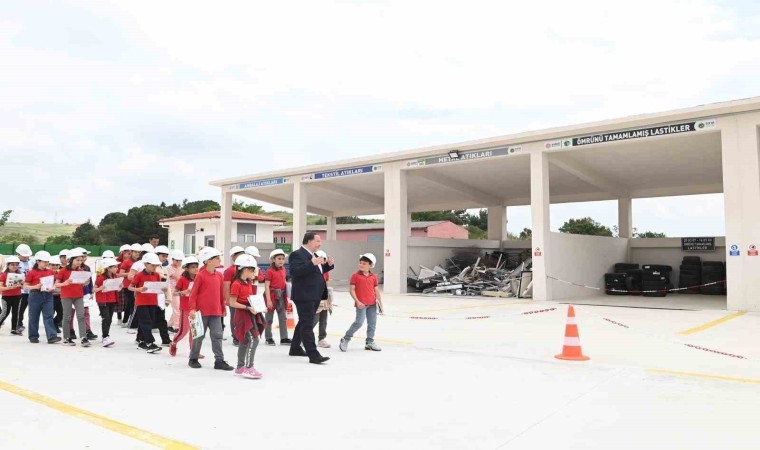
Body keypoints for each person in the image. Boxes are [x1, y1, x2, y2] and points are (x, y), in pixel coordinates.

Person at [288, 232, 333, 364]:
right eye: (317, 241)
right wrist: (312, 263)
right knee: (307, 324)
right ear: (309, 241)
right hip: (304, 295)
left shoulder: (314, 255)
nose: (320, 244)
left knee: (304, 322)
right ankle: (313, 354)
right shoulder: (297, 254)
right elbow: (295, 271)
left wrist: (328, 266)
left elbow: (316, 272)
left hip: (314, 294)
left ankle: (295, 348)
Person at [187, 247, 233, 371]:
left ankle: (219, 361)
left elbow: (221, 294)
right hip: (200, 313)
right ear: (208, 261)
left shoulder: (219, 275)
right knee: (198, 336)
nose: (219, 260)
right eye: (217, 258)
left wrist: (223, 308)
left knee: (217, 335)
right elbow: (193, 294)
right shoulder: (200, 276)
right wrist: (192, 309)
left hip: (216, 312)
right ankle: (193, 358)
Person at [229, 254, 266, 379]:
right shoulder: (236, 284)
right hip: (242, 315)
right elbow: (232, 302)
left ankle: (240, 367)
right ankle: (249, 367)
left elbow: (250, 298)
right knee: (253, 340)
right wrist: (247, 307)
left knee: (245, 341)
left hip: (251, 312)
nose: (253, 272)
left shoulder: (248, 282)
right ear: (244, 269)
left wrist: (259, 306)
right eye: (252, 270)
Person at [340, 253, 382, 352]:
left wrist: (380, 304)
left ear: (370, 265)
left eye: (364, 263)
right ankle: (345, 339)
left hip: (372, 304)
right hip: (361, 304)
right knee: (358, 323)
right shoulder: (355, 276)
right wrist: (357, 301)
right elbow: (351, 290)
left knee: (372, 324)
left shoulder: (373, 277)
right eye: (360, 263)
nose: (361, 265)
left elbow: (376, 290)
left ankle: (369, 342)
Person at [129, 253, 166, 353]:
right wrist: (139, 289)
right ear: (146, 264)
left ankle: (141, 341)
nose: (155, 267)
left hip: (153, 302)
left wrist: (163, 289)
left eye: (156, 265)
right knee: (146, 322)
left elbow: (157, 287)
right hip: (141, 302)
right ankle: (150, 343)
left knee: (148, 321)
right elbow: (130, 287)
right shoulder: (139, 275)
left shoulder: (157, 275)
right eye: (153, 265)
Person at [54, 248, 91, 347]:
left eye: (81, 260)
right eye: (77, 260)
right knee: (67, 317)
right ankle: (66, 338)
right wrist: (65, 283)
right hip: (66, 296)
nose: (80, 262)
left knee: (81, 316)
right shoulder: (63, 271)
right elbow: (56, 284)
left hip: (79, 296)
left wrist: (85, 283)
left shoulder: (81, 270)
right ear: (71, 260)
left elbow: (80, 283)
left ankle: (83, 337)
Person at [169, 256, 203, 358]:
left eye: (196, 267)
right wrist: (183, 292)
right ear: (187, 268)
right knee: (183, 330)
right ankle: (174, 343)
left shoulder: (199, 278)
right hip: (185, 308)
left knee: (195, 331)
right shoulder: (182, 279)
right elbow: (174, 293)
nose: (196, 269)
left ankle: (194, 352)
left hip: (196, 308)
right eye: (193, 267)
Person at [23, 252, 61, 344]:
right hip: (35, 295)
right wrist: (35, 286)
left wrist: (53, 287)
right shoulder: (32, 272)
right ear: (38, 261)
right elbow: (25, 286)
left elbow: (55, 282)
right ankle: (33, 336)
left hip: (48, 295)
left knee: (49, 316)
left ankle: (52, 336)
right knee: (34, 317)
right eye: (44, 262)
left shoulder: (50, 272)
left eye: (47, 262)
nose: (46, 263)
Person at [263, 248, 290, 346]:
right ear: (273, 259)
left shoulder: (284, 269)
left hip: (281, 295)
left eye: (283, 259)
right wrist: (268, 300)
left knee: (283, 317)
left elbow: (284, 282)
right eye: (279, 258)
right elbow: (266, 286)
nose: (281, 261)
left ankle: (284, 338)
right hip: (271, 295)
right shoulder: (269, 271)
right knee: (269, 318)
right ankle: (268, 338)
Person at [223, 246, 246, 346]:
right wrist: (227, 299)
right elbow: (226, 285)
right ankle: (236, 337)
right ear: (233, 257)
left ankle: (243, 336)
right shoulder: (230, 270)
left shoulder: (245, 269)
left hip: (244, 298)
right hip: (234, 298)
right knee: (235, 318)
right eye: (239, 255)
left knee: (243, 318)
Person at [94, 258, 120, 347]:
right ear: (108, 268)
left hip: (112, 300)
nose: (116, 268)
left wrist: (120, 287)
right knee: (106, 318)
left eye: (116, 266)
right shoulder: (101, 277)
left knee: (109, 319)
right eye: (114, 267)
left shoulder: (115, 276)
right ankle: (105, 336)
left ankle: (105, 335)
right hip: (103, 301)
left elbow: (118, 289)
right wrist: (100, 288)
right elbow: (94, 289)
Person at [0, 256, 25, 335]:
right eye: (12, 264)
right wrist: (9, 288)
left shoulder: (20, 275)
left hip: (17, 296)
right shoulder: (3, 275)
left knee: (15, 313)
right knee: (5, 313)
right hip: (6, 297)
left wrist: (22, 284)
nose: (15, 266)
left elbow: (23, 286)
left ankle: (14, 329)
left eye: (16, 265)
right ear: (8, 265)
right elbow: (0, 287)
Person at [313, 250, 332, 348]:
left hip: (324, 298)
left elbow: (327, 283)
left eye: (323, 259)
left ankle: (321, 339)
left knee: (323, 319)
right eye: (319, 259)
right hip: (315, 298)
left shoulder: (326, 271)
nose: (321, 261)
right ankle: (303, 337)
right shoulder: (313, 271)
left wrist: (329, 297)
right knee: (314, 319)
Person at [119, 244, 141, 328]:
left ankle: (125, 321)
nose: (137, 254)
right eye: (135, 252)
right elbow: (120, 274)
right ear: (131, 252)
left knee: (129, 304)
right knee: (132, 304)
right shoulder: (126, 262)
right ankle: (132, 323)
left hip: (136, 285)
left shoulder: (139, 262)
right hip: (127, 285)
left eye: (138, 252)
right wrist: (133, 272)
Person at [15, 244, 35, 333]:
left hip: (31, 290)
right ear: (18, 254)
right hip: (21, 290)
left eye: (27, 255)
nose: (25, 257)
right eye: (23, 255)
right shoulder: (15, 263)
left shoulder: (32, 263)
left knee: (32, 309)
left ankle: (33, 324)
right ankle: (18, 323)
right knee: (20, 308)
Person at [167, 250, 185, 333]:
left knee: (177, 309)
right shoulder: (169, 268)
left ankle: (169, 325)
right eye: (176, 260)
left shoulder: (181, 268)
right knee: (177, 309)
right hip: (172, 291)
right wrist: (178, 267)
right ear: (172, 259)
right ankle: (177, 327)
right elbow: (177, 277)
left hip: (180, 290)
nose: (178, 262)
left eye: (180, 260)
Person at [48, 257, 63, 332]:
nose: (55, 266)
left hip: (60, 296)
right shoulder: (47, 273)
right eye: (53, 265)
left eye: (57, 265)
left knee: (62, 313)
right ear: (49, 265)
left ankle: (55, 324)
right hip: (50, 296)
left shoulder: (61, 273)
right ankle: (51, 329)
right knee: (51, 313)